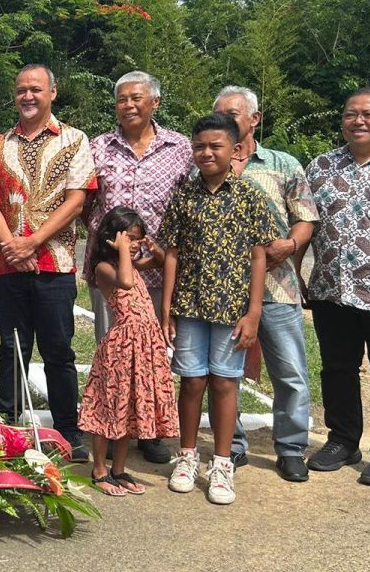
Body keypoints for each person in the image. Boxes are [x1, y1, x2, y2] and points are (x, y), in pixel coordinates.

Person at [0, 64, 96, 460]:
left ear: (52, 93)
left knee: (58, 350)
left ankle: (67, 429)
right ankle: (6, 424)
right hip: (6, 263)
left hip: (55, 264)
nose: (28, 96)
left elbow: (77, 199)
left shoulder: (75, 141)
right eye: (21, 89)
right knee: (11, 347)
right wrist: (12, 244)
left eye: (36, 89)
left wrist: (34, 242)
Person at [157, 113, 279, 506]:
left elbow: (259, 257)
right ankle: (187, 455)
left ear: (236, 150)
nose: (206, 152)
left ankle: (222, 463)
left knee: (226, 382)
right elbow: (171, 254)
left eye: (216, 146)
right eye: (199, 146)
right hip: (189, 306)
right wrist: (167, 309)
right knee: (191, 382)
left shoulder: (248, 197)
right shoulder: (184, 196)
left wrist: (254, 312)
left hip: (232, 309)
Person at [213, 86, 319, 481]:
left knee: (289, 372)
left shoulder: (282, 163)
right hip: (220, 291)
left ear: (254, 119)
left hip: (277, 287)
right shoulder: (205, 163)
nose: (226, 120)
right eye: (219, 113)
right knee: (225, 374)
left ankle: (291, 448)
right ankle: (232, 445)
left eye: (234, 114)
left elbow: (305, 216)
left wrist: (291, 243)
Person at [85, 71, 190, 464]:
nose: (129, 105)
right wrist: (108, 246)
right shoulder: (98, 147)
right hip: (113, 276)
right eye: (121, 99)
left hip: (159, 271)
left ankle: (148, 432)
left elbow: (187, 205)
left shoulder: (179, 148)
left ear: (155, 103)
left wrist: (162, 249)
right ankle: (111, 429)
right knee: (113, 356)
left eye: (137, 98)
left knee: (152, 355)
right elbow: (85, 205)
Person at [304, 87, 370, 487]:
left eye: (368, 114)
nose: (358, 121)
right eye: (350, 114)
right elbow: (303, 225)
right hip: (330, 290)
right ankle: (342, 440)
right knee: (338, 368)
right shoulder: (322, 166)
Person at [79, 207, 178, 497]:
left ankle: (119, 469)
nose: (134, 245)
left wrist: (150, 246)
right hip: (121, 347)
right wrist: (123, 250)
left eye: (138, 239)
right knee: (109, 410)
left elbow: (160, 261)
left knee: (130, 410)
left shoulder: (131, 263)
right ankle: (99, 469)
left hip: (144, 346)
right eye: (129, 238)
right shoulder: (105, 268)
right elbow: (125, 282)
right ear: (113, 238)